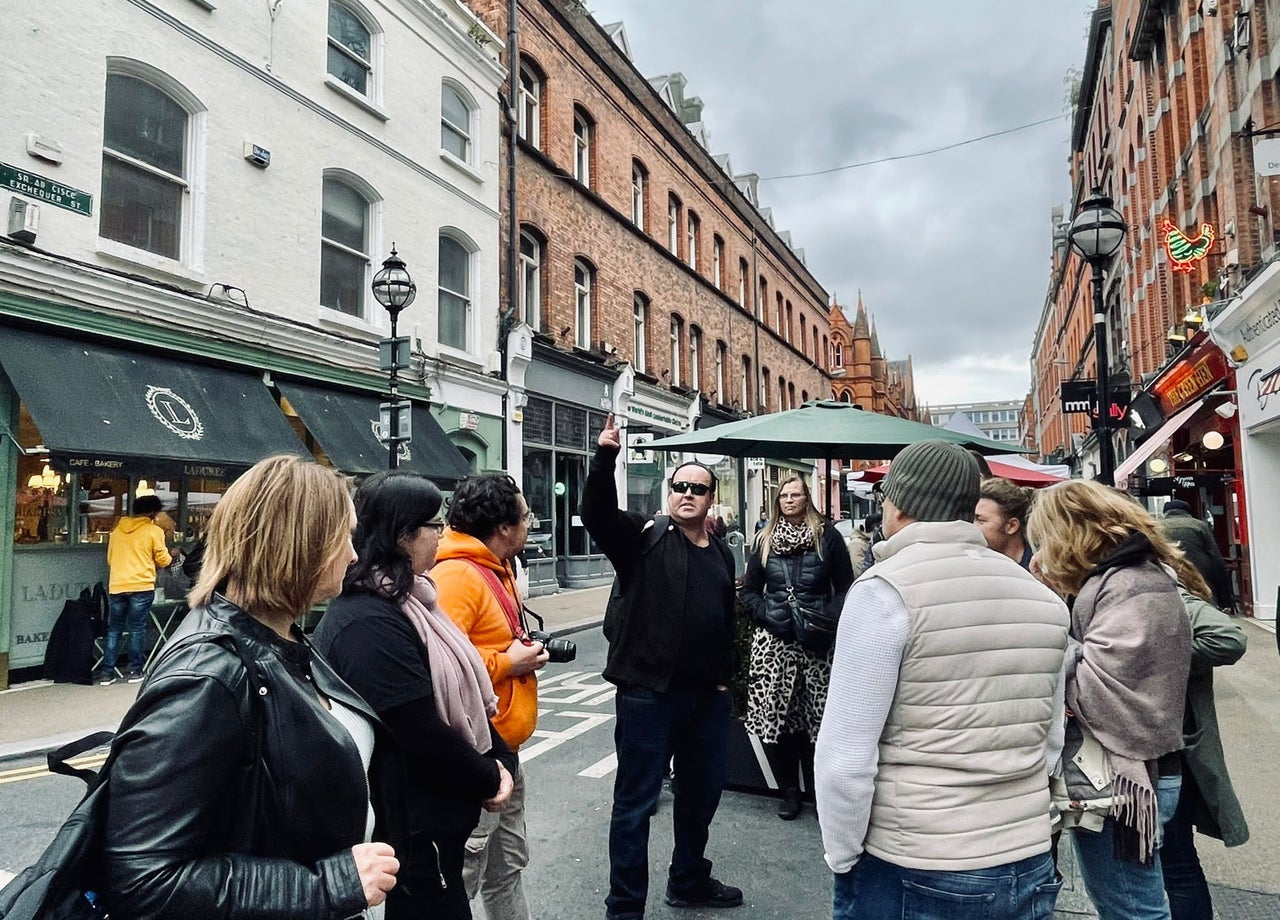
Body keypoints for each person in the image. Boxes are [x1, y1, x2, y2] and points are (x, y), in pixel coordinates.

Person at [99, 454, 399, 918]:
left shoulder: (279, 635)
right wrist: (325, 886)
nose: (354, 553)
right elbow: (144, 879)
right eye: (345, 536)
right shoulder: (206, 676)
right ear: (303, 542)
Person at [814, 440, 1069, 920]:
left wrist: (843, 856)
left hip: (917, 858)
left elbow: (845, 756)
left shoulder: (884, 591)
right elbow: (1049, 738)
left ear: (903, 504)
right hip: (1027, 856)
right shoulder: (1042, 597)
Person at [313, 471, 519, 919]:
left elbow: (459, 699)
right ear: (404, 535)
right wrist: (489, 776)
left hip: (433, 829)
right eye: (435, 525)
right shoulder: (367, 622)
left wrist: (499, 755)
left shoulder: (414, 601)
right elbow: (417, 730)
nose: (442, 536)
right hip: (408, 835)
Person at [582, 414, 742, 919]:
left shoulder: (720, 552)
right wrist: (605, 455)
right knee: (635, 806)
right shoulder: (642, 537)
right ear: (669, 492)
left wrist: (725, 679)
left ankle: (689, 879)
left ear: (711, 499)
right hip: (649, 694)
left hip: (705, 699)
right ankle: (625, 908)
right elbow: (596, 513)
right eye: (679, 486)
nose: (687, 493)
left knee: (700, 797)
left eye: (698, 487)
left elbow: (723, 617)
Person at [1027, 480, 1198, 920]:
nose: (1042, 551)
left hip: (1128, 779)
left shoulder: (1130, 584)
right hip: (1128, 776)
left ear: (1070, 532)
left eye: (1045, 537)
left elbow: (1105, 689)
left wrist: (1049, 644)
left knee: (1133, 910)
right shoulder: (1126, 579)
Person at [433, 474, 546, 920]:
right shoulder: (458, 575)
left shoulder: (495, 568)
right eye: (525, 517)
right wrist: (507, 664)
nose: (529, 524)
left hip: (505, 752)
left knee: (506, 868)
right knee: (463, 873)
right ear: (503, 527)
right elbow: (440, 666)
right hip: (478, 758)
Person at [739, 475, 855, 821]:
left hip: (816, 644)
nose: (789, 500)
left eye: (796, 494)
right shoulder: (764, 539)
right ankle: (789, 791)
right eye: (784, 495)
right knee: (780, 721)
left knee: (818, 722)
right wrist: (767, 615)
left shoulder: (828, 537)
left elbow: (846, 587)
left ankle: (820, 792)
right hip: (775, 644)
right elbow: (748, 591)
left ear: (808, 499)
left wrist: (826, 620)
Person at [1160, 584, 1248, 920]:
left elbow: (1228, 639)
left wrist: (1150, 655)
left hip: (1167, 752)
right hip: (1157, 750)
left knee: (1175, 861)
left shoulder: (1160, 590)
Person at [100, 494, 173, 684]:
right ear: (152, 512)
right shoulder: (153, 531)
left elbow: (110, 559)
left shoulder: (117, 531)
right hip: (141, 584)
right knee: (137, 628)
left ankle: (107, 673)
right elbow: (164, 560)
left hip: (117, 585)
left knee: (114, 629)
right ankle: (135, 671)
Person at [1158, 499, 1234, 610]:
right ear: (1187, 512)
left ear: (1165, 512)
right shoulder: (1200, 525)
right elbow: (1216, 559)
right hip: (1200, 572)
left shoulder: (1158, 527)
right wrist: (1225, 600)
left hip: (1170, 571)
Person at [974, 476, 1034, 568]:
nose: (972, 526)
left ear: (1011, 526)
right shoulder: (974, 562)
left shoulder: (1043, 569)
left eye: (981, 520)